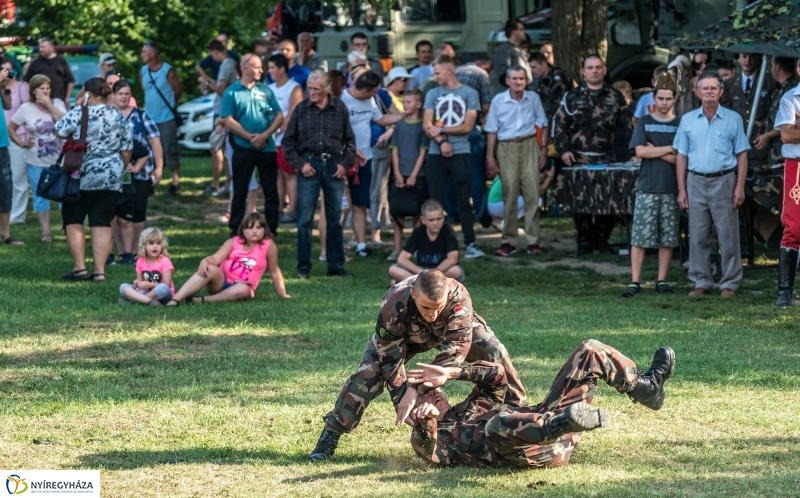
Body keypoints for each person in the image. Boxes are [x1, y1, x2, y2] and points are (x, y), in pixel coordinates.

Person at [308, 269, 528, 461]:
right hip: (406, 339)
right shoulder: (393, 304)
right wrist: (403, 395)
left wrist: (417, 387)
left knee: (495, 351)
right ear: (414, 294)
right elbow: (390, 360)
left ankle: (518, 415)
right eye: (426, 308)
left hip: (450, 332)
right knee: (368, 374)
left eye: (437, 308)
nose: (432, 315)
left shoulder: (458, 296)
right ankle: (330, 435)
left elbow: (455, 350)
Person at [406, 341, 675, 468]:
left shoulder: (468, 407)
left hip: (550, 417)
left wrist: (455, 372)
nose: (435, 393)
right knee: (495, 425)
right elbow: (430, 453)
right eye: (426, 394)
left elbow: (498, 375)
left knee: (590, 351)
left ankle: (646, 388)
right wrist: (426, 423)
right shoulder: (438, 437)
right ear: (414, 410)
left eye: (434, 388)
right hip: (539, 449)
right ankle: (567, 422)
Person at [674, 71, 750, 298]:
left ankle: (729, 283)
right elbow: (681, 156)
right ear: (697, 92)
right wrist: (681, 189)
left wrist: (739, 187)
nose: (708, 92)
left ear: (721, 92)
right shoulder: (687, 120)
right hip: (695, 180)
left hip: (724, 180)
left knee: (728, 236)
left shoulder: (733, 119)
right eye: (704, 88)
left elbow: (742, 156)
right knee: (698, 236)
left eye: (713, 88)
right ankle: (701, 281)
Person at [55, 77, 133, 282]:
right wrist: (119, 168)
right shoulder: (117, 115)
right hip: (111, 173)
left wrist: (77, 104)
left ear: (87, 92)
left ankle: (80, 267)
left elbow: (59, 130)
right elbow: (127, 148)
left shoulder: (79, 112)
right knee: (102, 221)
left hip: (81, 173)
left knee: (73, 218)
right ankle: (99, 271)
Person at [553, 55, 634, 250]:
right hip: (578, 159)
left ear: (604, 70)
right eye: (590, 67)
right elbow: (560, 126)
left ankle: (601, 241)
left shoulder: (616, 96)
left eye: (598, 67)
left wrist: (634, 150)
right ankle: (585, 242)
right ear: (584, 71)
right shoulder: (572, 97)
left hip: (608, 158)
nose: (595, 71)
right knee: (580, 203)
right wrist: (564, 150)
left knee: (610, 202)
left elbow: (627, 127)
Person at [282, 70, 357, 279]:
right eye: (310, 88)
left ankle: (335, 265)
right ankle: (303, 267)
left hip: (333, 165)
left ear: (327, 89)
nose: (312, 92)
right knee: (304, 219)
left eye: (316, 89)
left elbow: (350, 141)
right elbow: (288, 143)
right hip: (309, 164)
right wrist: (300, 164)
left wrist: (344, 164)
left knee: (334, 219)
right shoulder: (301, 109)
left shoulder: (339, 107)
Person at [622, 72, 681, 299]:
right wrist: (668, 149)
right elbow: (640, 151)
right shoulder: (645, 122)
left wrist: (656, 150)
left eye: (668, 98)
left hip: (670, 186)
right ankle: (635, 280)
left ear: (674, 99)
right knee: (640, 236)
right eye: (660, 98)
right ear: (653, 99)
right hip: (647, 185)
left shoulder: (679, 123)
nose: (664, 103)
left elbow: (681, 158)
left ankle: (662, 279)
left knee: (668, 236)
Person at [423, 55, 484, 258]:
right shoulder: (432, 92)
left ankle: (470, 243)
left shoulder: (469, 93)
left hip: (461, 152)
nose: (435, 76)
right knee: (435, 201)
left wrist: (440, 131)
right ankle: (435, 246)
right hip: (436, 153)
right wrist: (443, 142)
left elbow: (467, 126)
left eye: (438, 72)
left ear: (449, 70)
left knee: (463, 200)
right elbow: (427, 125)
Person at [340, 68, 405, 257]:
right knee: (343, 205)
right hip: (344, 159)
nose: (377, 94)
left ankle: (361, 245)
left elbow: (381, 119)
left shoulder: (370, 100)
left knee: (360, 203)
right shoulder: (342, 100)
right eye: (374, 91)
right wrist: (350, 150)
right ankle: (333, 243)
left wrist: (405, 115)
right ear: (365, 90)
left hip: (365, 159)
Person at [485, 65, 548, 257]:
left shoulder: (533, 98)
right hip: (506, 146)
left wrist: (543, 148)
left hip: (529, 145)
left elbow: (543, 124)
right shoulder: (498, 101)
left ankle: (533, 241)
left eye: (521, 79)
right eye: (514, 79)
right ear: (507, 81)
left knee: (532, 193)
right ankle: (509, 241)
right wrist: (490, 156)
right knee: (509, 194)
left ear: (526, 81)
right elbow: (492, 130)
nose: (518, 82)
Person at [221, 53, 284, 238]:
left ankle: (271, 231)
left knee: (271, 192)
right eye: (257, 67)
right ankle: (235, 232)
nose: (261, 70)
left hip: (267, 148)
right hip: (242, 149)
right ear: (245, 68)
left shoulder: (265, 91)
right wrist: (250, 137)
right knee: (239, 192)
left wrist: (264, 135)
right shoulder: (231, 92)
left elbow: (278, 116)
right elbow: (228, 120)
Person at [167, 212, 290, 305]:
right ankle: (175, 299)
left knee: (243, 289)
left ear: (265, 229)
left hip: (242, 289)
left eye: (258, 228)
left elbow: (274, 271)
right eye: (250, 227)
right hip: (221, 282)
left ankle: (201, 300)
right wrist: (204, 261)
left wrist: (282, 294)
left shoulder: (268, 245)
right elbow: (215, 258)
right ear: (243, 230)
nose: (254, 231)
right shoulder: (234, 241)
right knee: (210, 268)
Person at [8, 74, 67, 243]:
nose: (46, 91)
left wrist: (49, 105)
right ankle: (46, 232)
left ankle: (66, 228)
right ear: (34, 91)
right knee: (40, 196)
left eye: (48, 87)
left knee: (63, 196)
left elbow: (67, 122)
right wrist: (21, 142)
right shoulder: (26, 108)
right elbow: (11, 127)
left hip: (59, 161)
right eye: (42, 88)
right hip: (35, 161)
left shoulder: (58, 104)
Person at [110, 79, 164, 264]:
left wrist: (158, 167)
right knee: (118, 214)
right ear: (113, 95)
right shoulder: (108, 115)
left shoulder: (141, 116)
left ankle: (137, 251)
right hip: (114, 174)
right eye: (120, 93)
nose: (124, 97)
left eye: (127, 93)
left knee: (138, 212)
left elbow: (155, 141)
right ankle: (122, 251)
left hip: (141, 173)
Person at [388, 88, 429, 261]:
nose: (405, 105)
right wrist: (397, 173)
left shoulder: (422, 126)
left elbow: (422, 153)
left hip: (418, 176)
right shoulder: (399, 126)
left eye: (409, 102)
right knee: (397, 213)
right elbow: (394, 151)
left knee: (417, 214)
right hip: (400, 174)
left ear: (419, 104)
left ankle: (414, 249)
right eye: (404, 102)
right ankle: (397, 249)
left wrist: (414, 175)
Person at [773, 59, 800, 307]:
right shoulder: (791, 98)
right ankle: (785, 291)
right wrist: (794, 127)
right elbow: (787, 134)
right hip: (797, 166)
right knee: (794, 225)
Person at [140, 41, 183, 195]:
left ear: (153, 53)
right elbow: (146, 92)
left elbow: (178, 90)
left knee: (170, 149)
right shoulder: (143, 71)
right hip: (150, 118)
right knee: (150, 151)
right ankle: (151, 183)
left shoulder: (168, 70)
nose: (142, 54)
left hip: (167, 118)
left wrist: (170, 105)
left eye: (145, 51)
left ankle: (175, 183)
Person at [721, 53, 776, 168]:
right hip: (737, 144)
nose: (748, 60)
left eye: (752, 56)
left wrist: (765, 125)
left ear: (757, 59)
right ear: (738, 59)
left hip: (761, 145)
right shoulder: (730, 84)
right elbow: (725, 113)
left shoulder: (770, 82)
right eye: (744, 56)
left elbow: (776, 111)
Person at [389, 199, 463, 284]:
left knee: (455, 271)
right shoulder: (418, 232)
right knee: (393, 269)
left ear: (443, 217)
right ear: (423, 220)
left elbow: (452, 259)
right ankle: (431, 284)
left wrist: (434, 274)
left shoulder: (448, 231)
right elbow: (402, 259)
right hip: (421, 270)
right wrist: (423, 273)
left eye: (439, 219)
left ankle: (416, 284)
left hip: (442, 270)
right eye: (431, 220)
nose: (435, 223)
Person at [198, 39, 237, 197]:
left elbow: (222, 90)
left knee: (220, 148)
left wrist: (207, 82)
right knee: (224, 149)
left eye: (211, 54)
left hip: (223, 112)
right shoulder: (231, 63)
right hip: (224, 111)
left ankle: (226, 183)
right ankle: (228, 183)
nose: (211, 58)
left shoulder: (226, 64)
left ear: (215, 52)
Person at [268, 54, 304, 225]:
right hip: (271, 140)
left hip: (287, 140)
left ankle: (293, 210)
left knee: (290, 174)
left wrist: (274, 131)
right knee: (276, 175)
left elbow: (293, 114)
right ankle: (278, 208)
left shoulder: (294, 88)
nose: (270, 71)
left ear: (282, 69)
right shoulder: (269, 88)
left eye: (272, 68)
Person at [754, 57, 799, 167]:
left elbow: (787, 134)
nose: (771, 69)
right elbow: (787, 134)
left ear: (778, 66)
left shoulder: (790, 88)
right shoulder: (789, 95)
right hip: (791, 160)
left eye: (771, 65)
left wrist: (767, 135)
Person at [2, 58, 30, 226]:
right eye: (3, 69)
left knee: (18, 177)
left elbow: (25, 110)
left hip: (17, 135)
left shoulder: (22, 88)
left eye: (8, 69)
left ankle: (17, 215)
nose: (6, 72)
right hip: (2, 138)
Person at [118, 227, 175, 306]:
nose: (155, 246)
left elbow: (166, 285)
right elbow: (140, 284)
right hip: (147, 291)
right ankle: (150, 302)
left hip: (163, 293)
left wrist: (150, 285)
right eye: (151, 243)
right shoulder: (140, 261)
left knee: (163, 289)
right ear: (144, 246)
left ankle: (135, 300)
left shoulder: (165, 261)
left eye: (158, 243)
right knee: (123, 287)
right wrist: (137, 284)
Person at [0, 60, 23, 245]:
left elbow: (7, 106)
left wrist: (4, 87)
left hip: (2, 144)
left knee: (6, 188)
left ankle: (5, 234)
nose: (6, 73)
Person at [528, 51, 572, 126]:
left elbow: (554, 102)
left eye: (534, 67)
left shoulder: (557, 76)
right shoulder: (538, 79)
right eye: (530, 68)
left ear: (544, 64)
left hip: (562, 119)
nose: (531, 71)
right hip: (548, 120)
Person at [24, 38, 74, 103]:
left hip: (59, 99)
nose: (41, 50)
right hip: (40, 101)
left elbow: (70, 81)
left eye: (43, 47)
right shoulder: (35, 63)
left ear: (51, 47)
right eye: (40, 47)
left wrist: (67, 97)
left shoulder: (61, 61)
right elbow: (26, 81)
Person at [490, 19, 532, 97]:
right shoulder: (503, 51)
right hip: (508, 98)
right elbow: (502, 76)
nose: (525, 32)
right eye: (522, 29)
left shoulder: (517, 50)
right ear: (513, 32)